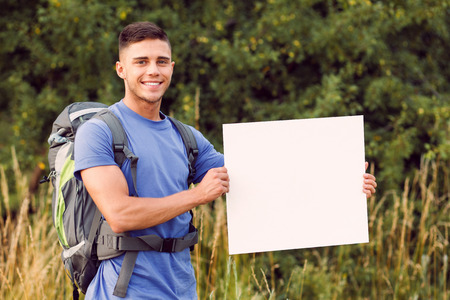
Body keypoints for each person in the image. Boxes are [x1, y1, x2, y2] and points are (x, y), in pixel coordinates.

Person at [74, 22, 377, 299]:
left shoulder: (186, 137)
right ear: (121, 69)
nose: (153, 70)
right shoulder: (99, 132)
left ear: (172, 67)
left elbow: (260, 177)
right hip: (123, 292)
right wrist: (197, 195)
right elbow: (120, 215)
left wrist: (341, 183)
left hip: (181, 289)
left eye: (161, 62)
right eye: (141, 62)